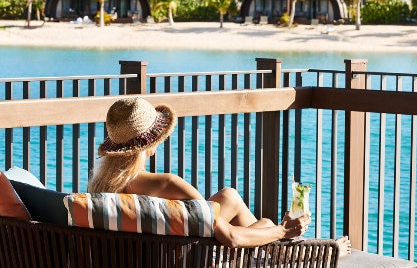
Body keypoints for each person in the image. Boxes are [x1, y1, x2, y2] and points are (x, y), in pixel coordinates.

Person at [89, 96, 351, 254]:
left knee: (230, 197)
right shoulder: (168, 185)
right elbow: (231, 238)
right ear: (152, 141)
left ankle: (302, 251)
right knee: (267, 225)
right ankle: (317, 256)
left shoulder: (99, 189)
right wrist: (282, 231)